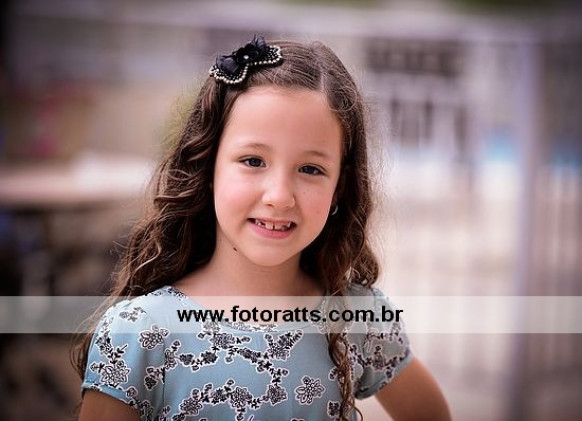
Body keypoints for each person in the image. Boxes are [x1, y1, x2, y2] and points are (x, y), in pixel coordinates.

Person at [72, 35, 450, 421]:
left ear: (339, 186)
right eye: (253, 161)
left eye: (310, 169)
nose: (279, 196)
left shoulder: (356, 317)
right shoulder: (138, 333)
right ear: (207, 166)